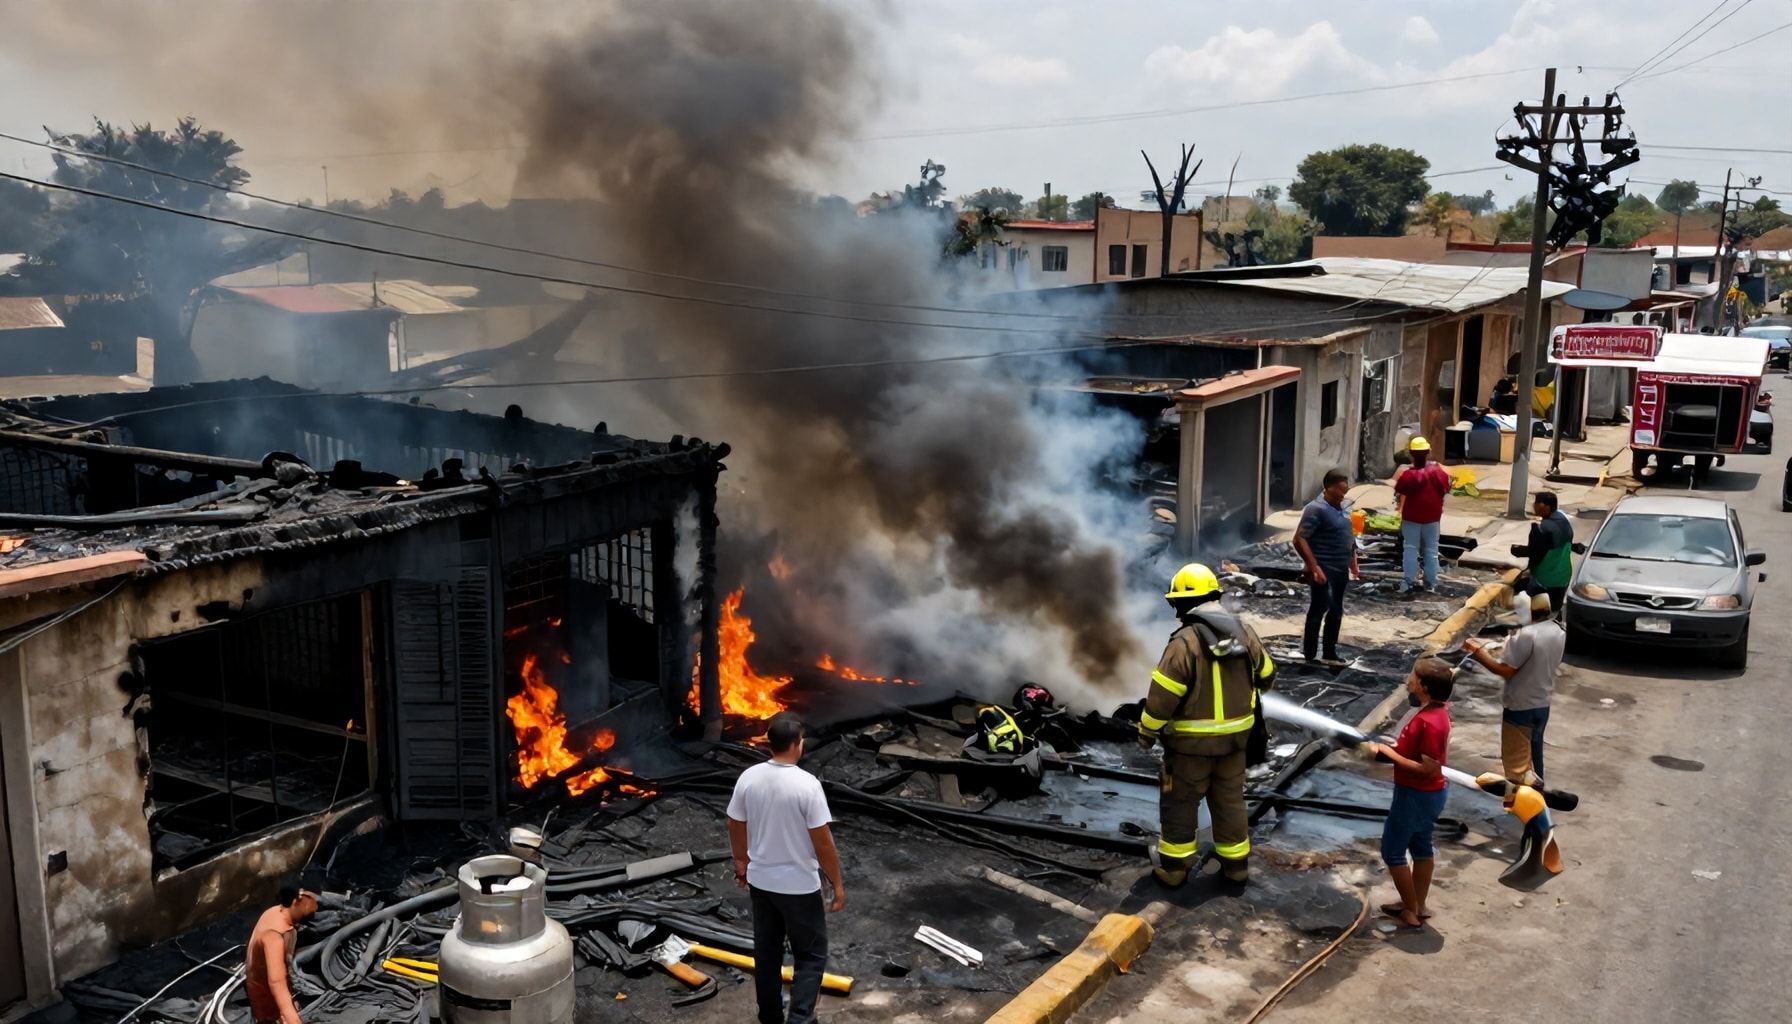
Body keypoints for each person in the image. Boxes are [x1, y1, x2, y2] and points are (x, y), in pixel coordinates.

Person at [1137, 563, 1276, 888]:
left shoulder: (1183, 643)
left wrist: (1146, 731)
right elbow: (1268, 676)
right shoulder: (1244, 632)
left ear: (1185, 603)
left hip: (1189, 750)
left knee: (1181, 803)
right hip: (1234, 745)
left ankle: (1174, 870)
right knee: (1229, 801)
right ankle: (1236, 867)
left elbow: (1161, 700)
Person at [727, 713, 845, 1024]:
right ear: (796, 745)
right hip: (799, 887)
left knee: (767, 953)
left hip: (762, 883)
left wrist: (741, 861)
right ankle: (801, 1019)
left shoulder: (748, 778)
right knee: (810, 954)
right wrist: (837, 882)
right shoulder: (807, 785)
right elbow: (823, 842)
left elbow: (735, 822)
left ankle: (770, 1016)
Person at [1464, 591, 1566, 877]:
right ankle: (1539, 802)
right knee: (1535, 760)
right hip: (1541, 704)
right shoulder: (1558, 631)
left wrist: (1477, 652)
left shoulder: (1527, 636)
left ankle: (1536, 826)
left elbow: (1504, 670)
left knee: (1519, 771)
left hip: (1519, 706)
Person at [1366, 657, 1454, 929]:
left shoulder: (1430, 722)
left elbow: (1428, 768)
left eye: (1413, 678)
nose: (1408, 682)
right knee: (1421, 847)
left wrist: (1388, 753)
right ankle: (1417, 903)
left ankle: (1410, 911)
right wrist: (1397, 747)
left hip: (1415, 795)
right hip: (1428, 795)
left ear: (1424, 687)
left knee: (1392, 852)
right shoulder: (1436, 713)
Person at [1293, 468, 1358, 666]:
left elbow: (1348, 535)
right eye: (1340, 489)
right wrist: (1314, 567)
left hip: (1340, 569)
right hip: (1323, 567)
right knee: (1320, 607)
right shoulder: (1316, 509)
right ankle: (1310, 654)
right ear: (1328, 488)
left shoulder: (1344, 508)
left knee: (1336, 610)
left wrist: (1353, 561)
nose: (1343, 493)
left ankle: (1330, 652)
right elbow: (1299, 538)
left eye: (1346, 489)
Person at [246, 884, 318, 1024]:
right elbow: (277, 983)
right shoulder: (274, 938)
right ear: (296, 900)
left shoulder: (274, 912)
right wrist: (292, 1019)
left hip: (265, 983)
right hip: (267, 1003)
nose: (315, 905)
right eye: (311, 900)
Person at [1393, 437, 1451, 594]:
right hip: (1432, 518)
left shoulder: (1407, 475)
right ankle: (1430, 584)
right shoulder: (1438, 472)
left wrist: (1399, 508)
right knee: (1431, 550)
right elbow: (1445, 490)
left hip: (1411, 518)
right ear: (1429, 453)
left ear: (1411, 454)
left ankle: (1409, 582)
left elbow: (1400, 492)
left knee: (1410, 549)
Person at [1513, 491, 1574, 615]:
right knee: (1555, 610)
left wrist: (1517, 550)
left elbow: (1536, 552)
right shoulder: (1562, 519)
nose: (1534, 506)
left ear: (1545, 506)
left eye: (1537, 503)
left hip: (1546, 578)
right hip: (1564, 576)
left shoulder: (1546, 527)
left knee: (1520, 596)